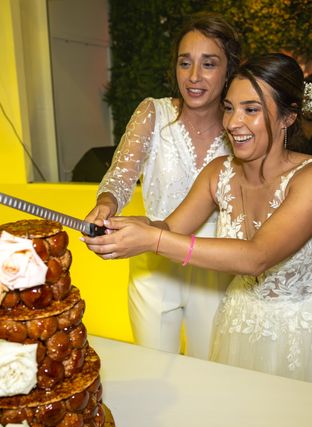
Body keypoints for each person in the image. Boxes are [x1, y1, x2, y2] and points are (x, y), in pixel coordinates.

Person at [83, 53, 312, 395]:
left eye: (251, 110)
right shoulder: (218, 173)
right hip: (239, 325)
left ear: (288, 116)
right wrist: (126, 227)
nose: (233, 122)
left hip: (306, 337)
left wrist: (152, 240)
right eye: (229, 108)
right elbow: (171, 228)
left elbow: (257, 256)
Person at [84, 13, 241, 359]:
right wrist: (107, 204)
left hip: (213, 273)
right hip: (152, 268)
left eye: (209, 64)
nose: (194, 76)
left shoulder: (240, 128)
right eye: (185, 63)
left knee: (212, 377)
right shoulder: (152, 113)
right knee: (156, 373)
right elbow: (121, 176)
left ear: (229, 70)